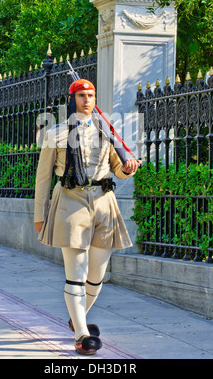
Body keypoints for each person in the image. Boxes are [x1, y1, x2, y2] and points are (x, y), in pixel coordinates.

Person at [34, 78, 139, 355]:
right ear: (72, 99)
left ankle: (77, 316)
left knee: (97, 274)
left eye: (91, 95)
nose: (87, 100)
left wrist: (129, 167)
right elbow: (43, 179)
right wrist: (39, 214)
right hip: (71, 201)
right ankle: (81, 334)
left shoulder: (107, 132)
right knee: (76, 273)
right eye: (81, 95)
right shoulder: (55, 133)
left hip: (104, 203)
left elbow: (117, 169)